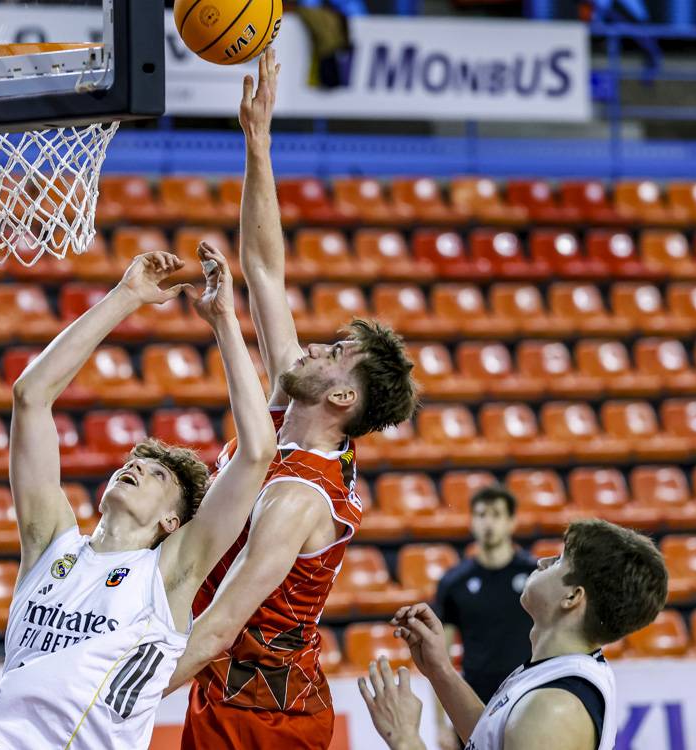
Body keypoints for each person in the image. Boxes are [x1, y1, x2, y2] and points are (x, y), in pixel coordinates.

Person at [168, 48, 420, 750]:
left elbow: (220, 623)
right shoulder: (293, 409)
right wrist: (258, 143)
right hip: (231, 690)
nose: (314, 347)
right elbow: (265, 272)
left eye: (337, 353)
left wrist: (110, 696)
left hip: (263, 715)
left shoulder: (299, 497)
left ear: (342, 395)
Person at [0, 245, 278, 750]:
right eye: (134, 462)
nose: (136, 466)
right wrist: (126, 297)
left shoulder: (169, 574)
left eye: (157, 475)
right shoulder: (49, 545)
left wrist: (224, 323)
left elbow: (257, 453)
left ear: (172, 521)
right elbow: (29, 396)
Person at [358, 518, 669, 750]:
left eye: (559, 561)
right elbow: (494, 738)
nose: (542, 561)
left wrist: (406, 739)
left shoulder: (555, 709)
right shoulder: (559, 672)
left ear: (572, 597)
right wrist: (441, 672)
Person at [433, 484, 536, 748]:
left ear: (511, 522)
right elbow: (439, 657)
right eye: (481, 515)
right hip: (475, 703)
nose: (488, 523)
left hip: (527, 696)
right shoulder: (454, 582)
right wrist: (440, 724)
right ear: (472, 522)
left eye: (496, 514)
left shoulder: (536, 576)